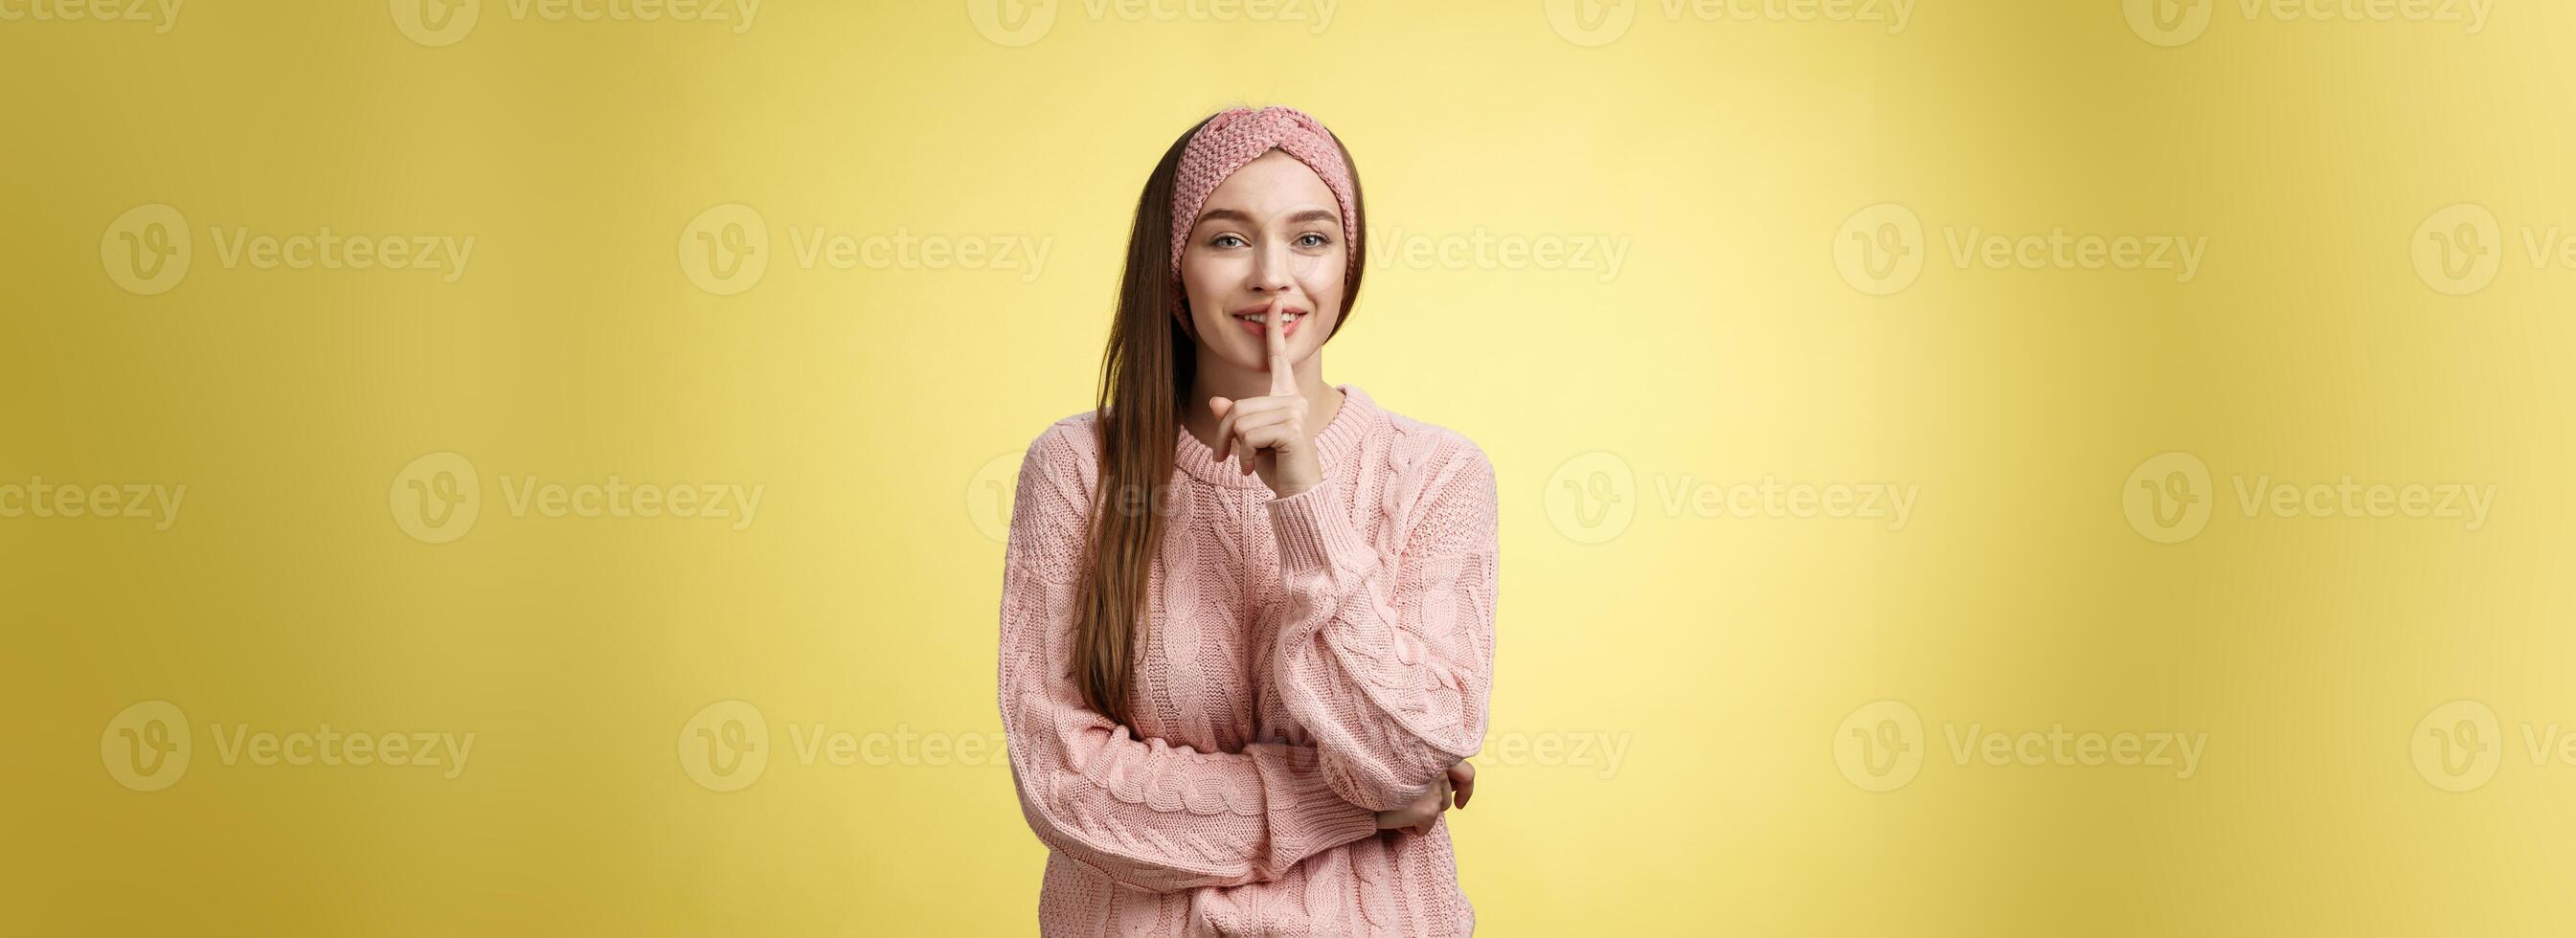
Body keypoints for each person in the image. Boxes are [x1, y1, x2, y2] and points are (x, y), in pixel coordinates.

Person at [995, 104, 1502, 935]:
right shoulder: (1080, 469)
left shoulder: (1437, 475)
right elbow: (1067, 783)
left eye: (1311, 238)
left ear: (1349, 265)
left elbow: (1411, 754)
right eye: (1228, 239)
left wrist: (1304, 498)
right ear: (1172, 271)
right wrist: (1345, 805)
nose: (1274, 275)